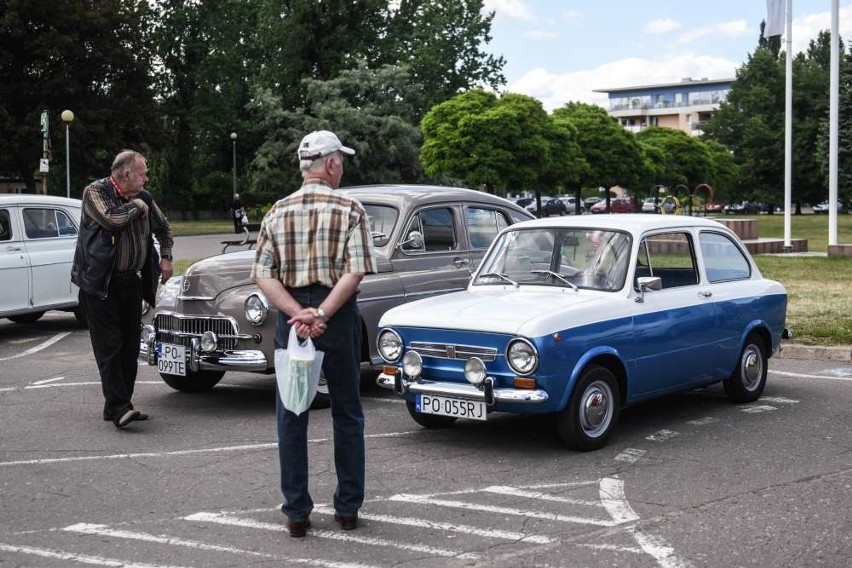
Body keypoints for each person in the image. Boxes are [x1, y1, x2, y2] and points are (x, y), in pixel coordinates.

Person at [251, 130, 375, 538]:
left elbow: (263, 274)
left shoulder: (278, 210)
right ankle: (347, 508)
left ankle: (297, 512)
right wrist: (320, 312)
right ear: (332, 163)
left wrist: (296, 314)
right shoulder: (351, 208)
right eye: (343, 162)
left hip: (292, 318)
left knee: (292, 414)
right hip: (335, 314)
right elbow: (354, 271)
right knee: (347, 413)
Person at [71, 150, 174, 429]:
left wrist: (166, 257)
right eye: (142, 173)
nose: (147, 178)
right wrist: (138, 207)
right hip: (99, 284)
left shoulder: (145, 197)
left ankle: (116, 405)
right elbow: (111, 220)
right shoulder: (96, 192)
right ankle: (120, 408)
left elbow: (164, 228)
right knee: (110, 346)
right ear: (126, 173)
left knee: (129, 346)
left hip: (131, 281)